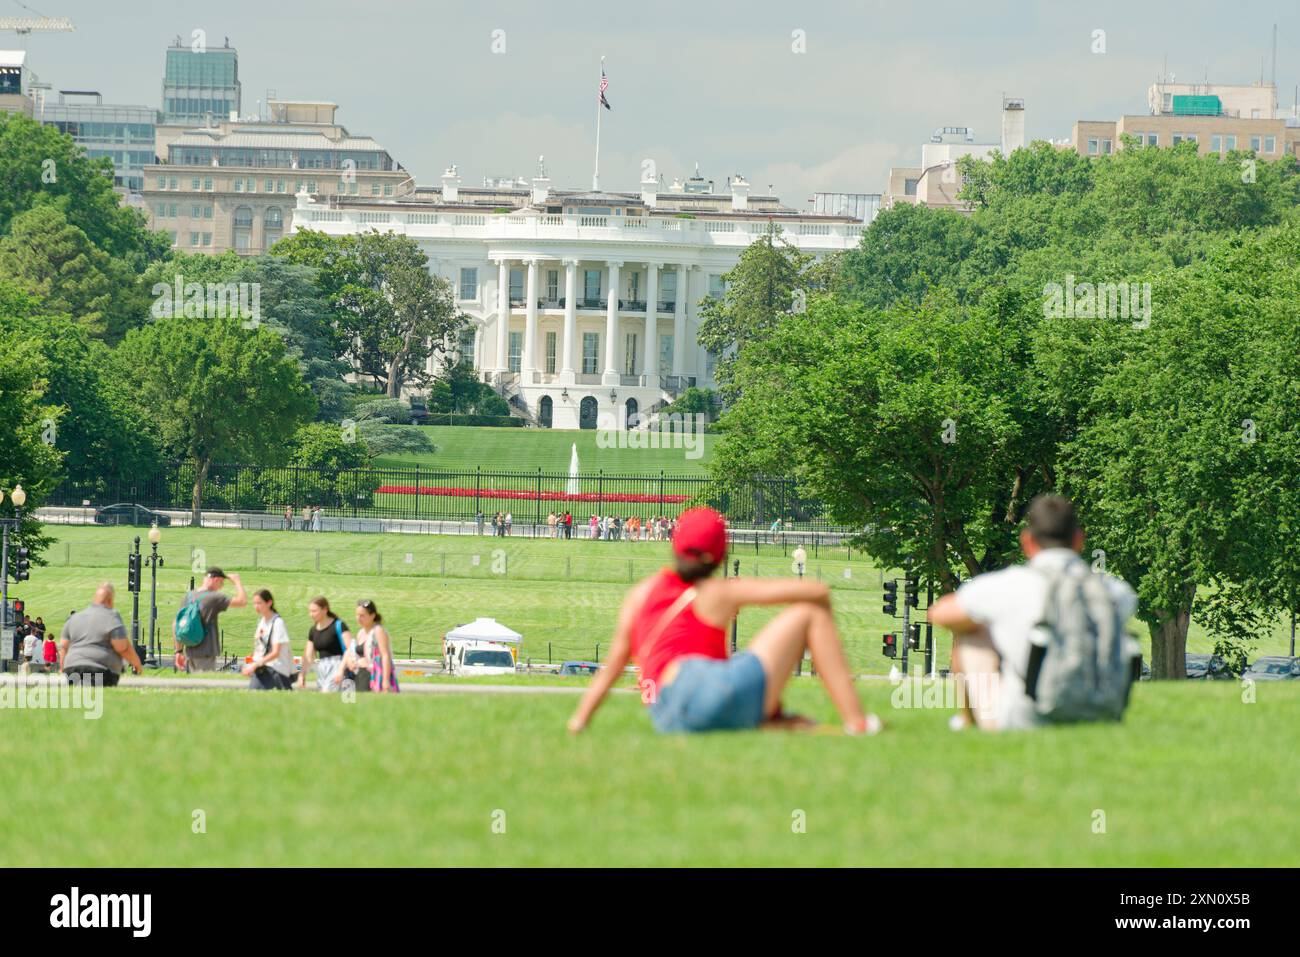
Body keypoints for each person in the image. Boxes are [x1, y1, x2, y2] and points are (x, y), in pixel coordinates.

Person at [567, 507, 881, 736]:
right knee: (809, 614)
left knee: (737, 685)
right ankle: (858, 723)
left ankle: (774, 720)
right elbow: (817, 591)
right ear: (720, 554)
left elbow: (613, 667)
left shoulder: (640, 594)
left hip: (666, 715)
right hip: (705, 689)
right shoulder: (717, 592)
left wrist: (579, 721)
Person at [927, 494, 1139, 732]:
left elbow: (940, 614)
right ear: (1079, 540)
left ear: (1027, 542)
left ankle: (968, 722)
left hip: (1027, 718)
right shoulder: (1117, 592)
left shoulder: (1012, 585)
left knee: (970, 631)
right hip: (1104, 714)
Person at [59, 583, 142, 687]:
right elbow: (122, 647)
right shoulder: (112, 617)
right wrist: (137, 664)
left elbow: (64, 647)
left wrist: (62, 668)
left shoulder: (74, 618)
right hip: (101, 670)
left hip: (72, 669)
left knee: (80, 699)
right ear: (110, 600)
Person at [174, 567, 247, 673]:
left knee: (194, 685)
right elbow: (242, 601)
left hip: (189, 651)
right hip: (206, 652)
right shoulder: (213, 597)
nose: (221, 587)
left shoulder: (189, 596)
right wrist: (237, 581)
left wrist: (178, 651)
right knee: (204, 686)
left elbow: (176, 625)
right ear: (217, 580)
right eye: (222, 584)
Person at [300, 596, 354, 692]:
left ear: (325, 610)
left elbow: (350, 648)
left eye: (314, 611)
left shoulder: (339, 625)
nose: (311, 614)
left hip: (340, 666)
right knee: (328, 703)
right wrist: (302, 674)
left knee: (344, 702)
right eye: (310, 611)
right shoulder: (313, 630)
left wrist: (341, 670)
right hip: (322, 669)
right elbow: (309, 656)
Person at [242, 589, 294, 690]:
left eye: (259, 603)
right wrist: (249, 663)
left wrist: (255, 665)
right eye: (254, 603)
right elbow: (260, 649)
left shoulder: (278, 623)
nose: (256, 606)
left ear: (269, 603)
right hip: (263, 668)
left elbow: (276, 652)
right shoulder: (262, 622)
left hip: (276, 670)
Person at [355, 600, 399, 693]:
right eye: (357, 615)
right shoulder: (360, 633)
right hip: (361, 675)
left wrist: (385, 680)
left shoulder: (378, 631)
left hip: (375, 675)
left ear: (372, 615)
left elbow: (385, 655)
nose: (359, 618)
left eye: (362, 615)